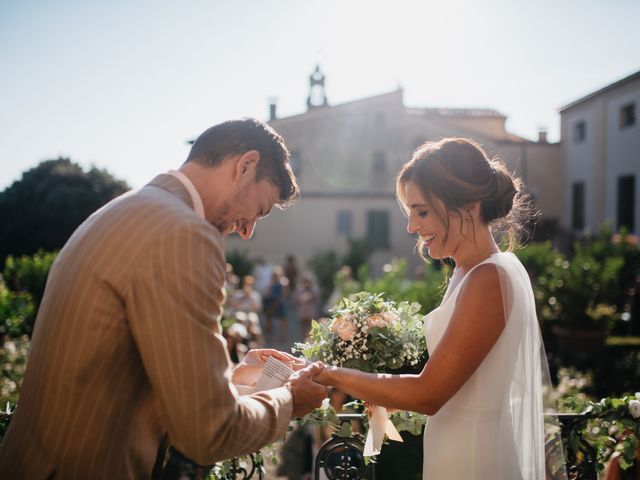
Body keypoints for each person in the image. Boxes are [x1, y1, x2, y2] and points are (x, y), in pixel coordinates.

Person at [0, 118, 327, 479]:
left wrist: (234, 375)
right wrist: (290, 399)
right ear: (245, 166)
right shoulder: (184, 234)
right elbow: (208, 431)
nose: (248, 231)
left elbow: (124, 376)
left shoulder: (121, 210)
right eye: (259, 210)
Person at [314, 138, 565, 479]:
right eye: (410, 212)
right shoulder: (466, 271)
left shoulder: (490, 277)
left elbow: (430, 393)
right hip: (454, 444)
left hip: (476, 455)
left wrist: (332, 374)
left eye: (422, 211)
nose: (411, 227)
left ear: (468, 207)